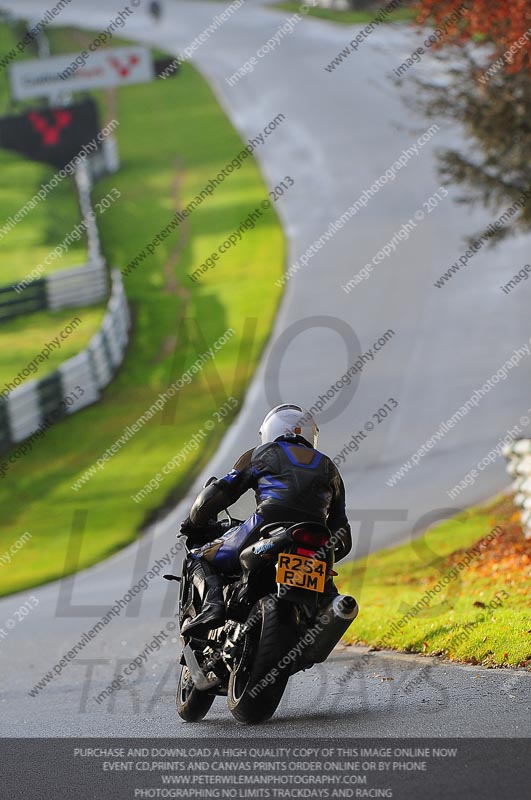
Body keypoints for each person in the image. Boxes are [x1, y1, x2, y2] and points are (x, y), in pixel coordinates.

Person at [180, 404, 352, 634]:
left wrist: (194, 522)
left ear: (270, 431)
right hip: (316, 539)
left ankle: (212, 606)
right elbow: (341, 528)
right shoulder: (329, 467)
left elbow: (221, 493)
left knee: (198, 556)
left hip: (265, 526)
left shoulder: (261, 453)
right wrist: (328, 557)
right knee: (333, 598)